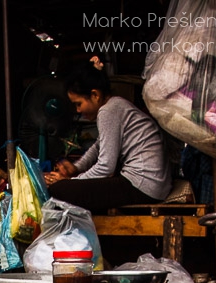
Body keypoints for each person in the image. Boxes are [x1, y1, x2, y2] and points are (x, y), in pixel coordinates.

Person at [44, 59, 171, 212]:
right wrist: (76, 168)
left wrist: (71, 181)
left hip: (142, 185)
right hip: (152, 185)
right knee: (66, 187)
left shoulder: (108, 111)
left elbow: (106, 167)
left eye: (78, 104)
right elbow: (98, 146)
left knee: (58, 190)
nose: (78, 111)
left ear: (95, 95)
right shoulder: (116, 106)